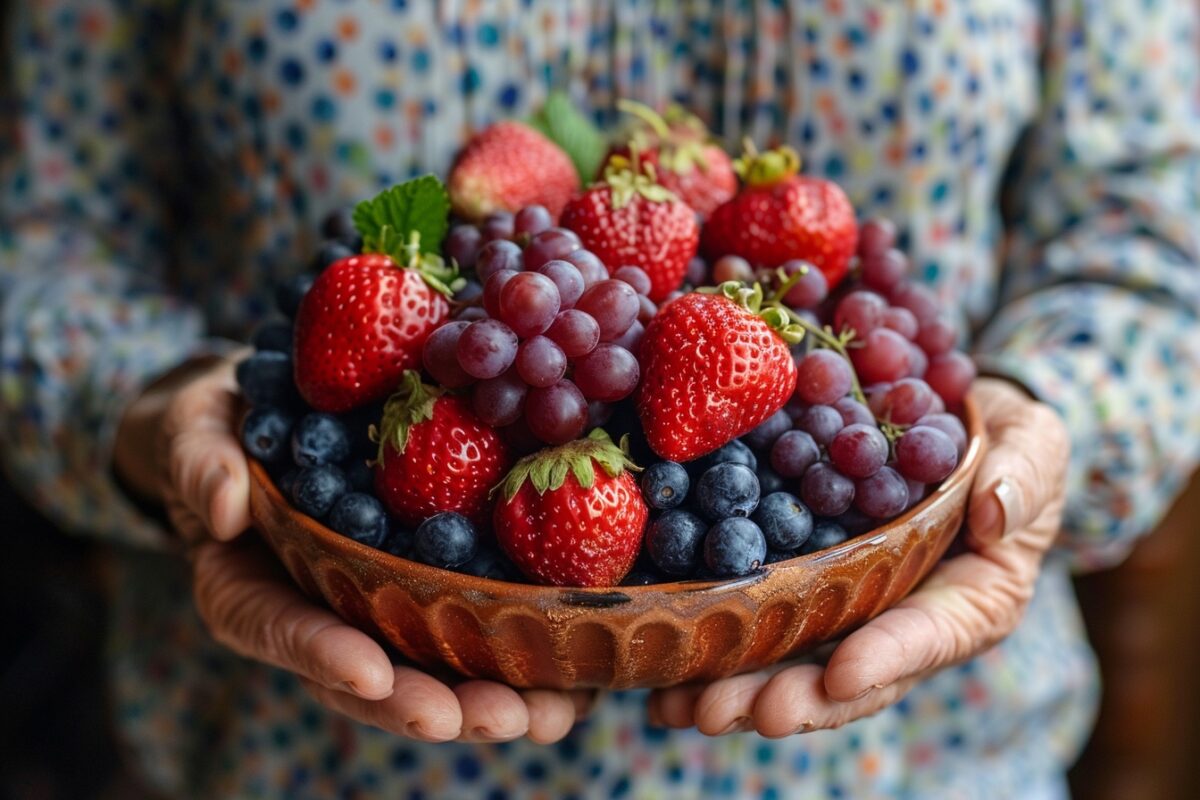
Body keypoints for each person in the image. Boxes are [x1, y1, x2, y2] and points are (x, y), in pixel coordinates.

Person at [2, 1, 1198, 797]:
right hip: (288, 757)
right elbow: (45, 239)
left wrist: (1045, 416)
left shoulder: (723, 343)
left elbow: (1151, 239)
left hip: (919, 766)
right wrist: (151, 415)